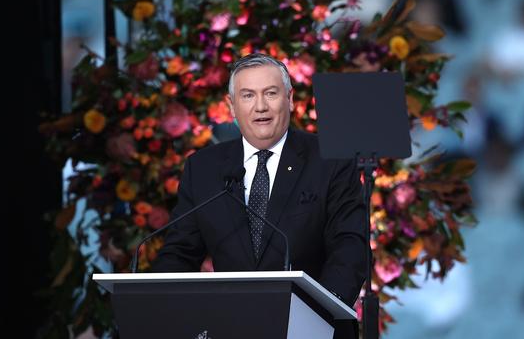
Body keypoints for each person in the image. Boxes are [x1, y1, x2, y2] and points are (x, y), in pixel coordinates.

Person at [151, 53, 367, 339]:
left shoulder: (331, 160)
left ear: (289, 99)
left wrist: (319, 313)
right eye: (248, 95)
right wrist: (157, 303)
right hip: (229, 327)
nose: (261, 107)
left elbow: (350, 245)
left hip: (314, 328)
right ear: (232, 106)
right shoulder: (203, 168)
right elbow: (179, 252)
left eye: (271, 93)